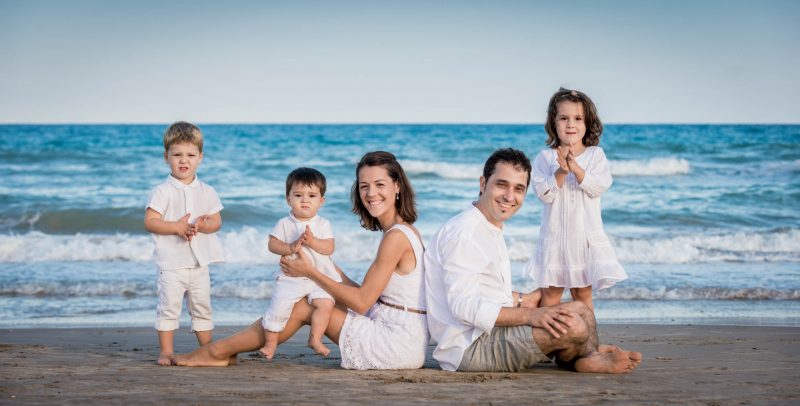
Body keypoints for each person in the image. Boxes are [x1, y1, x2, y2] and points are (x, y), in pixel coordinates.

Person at [174, 151, 429, 370]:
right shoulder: (401, 231)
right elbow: (368, 296)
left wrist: (311, 272)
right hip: (400, 332)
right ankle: (222, 350)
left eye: (379, 184)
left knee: (304, 305)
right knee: (308, 297)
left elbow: (362, 303)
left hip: (395, 343)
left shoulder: (395, 238)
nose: (371, 193)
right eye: (364, 186)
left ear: (397, 186)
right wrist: (329, 268)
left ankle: (216, 352)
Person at [424, 147, 641, 373]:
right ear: (483, 183)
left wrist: (523, 300)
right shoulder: (464, 233)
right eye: (501, 184)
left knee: (580, 310)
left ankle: (588, 355)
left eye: (518, 189)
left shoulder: (487, 226)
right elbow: (463, 307)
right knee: (574, 325)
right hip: (469, 348)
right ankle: (585, 357)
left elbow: (482, 292)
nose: (509, 196)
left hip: (486, 331)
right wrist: (531, 314)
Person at [524, 88, 627, 310]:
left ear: (588, 123)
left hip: (583, 240)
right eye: (564, 118)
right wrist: (560, 172)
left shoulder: (595, 155)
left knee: (582, 294)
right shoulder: (546, 157)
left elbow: (598, 187)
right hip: (555, 240)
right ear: (554, 122)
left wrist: (576, 169)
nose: (571, 124)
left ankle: (588, 341)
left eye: (578, 118)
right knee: (550, 295)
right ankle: (549, 343)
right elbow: (544, 194)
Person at [144, 121, 225, 366]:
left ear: (200, 157)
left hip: (199, 262)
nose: (183, 160)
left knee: (202, 306)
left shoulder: (207, 190)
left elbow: (216, 222)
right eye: (177, 154)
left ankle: (207, 349)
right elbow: (151, 221)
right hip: (172, 262)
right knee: (169, 307)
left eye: (190, 155)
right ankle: (166, 351)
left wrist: (201, 225)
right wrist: (177, 227)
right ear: (165, 156)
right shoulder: (162, 191)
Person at [259, 167, 341, 358]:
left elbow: (329, 248)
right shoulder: (284, 224)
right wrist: (289, 248)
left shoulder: (323, 224)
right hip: (291, 278)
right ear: (288, 199)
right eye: (298, 195)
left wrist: (312, 242)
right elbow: (272, 244)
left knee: (326, 303)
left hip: (318, 277)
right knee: (278, 307)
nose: (305, 200)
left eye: (312, 195)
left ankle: (315, 338)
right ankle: (270, 344)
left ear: (321, 201)